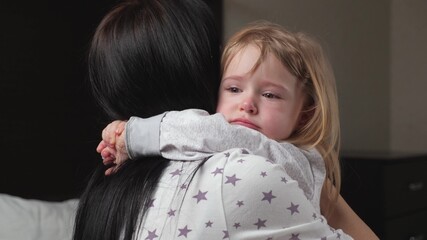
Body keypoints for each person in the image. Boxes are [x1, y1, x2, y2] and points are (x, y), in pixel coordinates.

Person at [75, 0, 355, 238]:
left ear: (305, 115)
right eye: (233, 88)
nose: (247, 104)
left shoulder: (255, 167)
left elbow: (204, 131)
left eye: (271, 95)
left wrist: (134, 136)